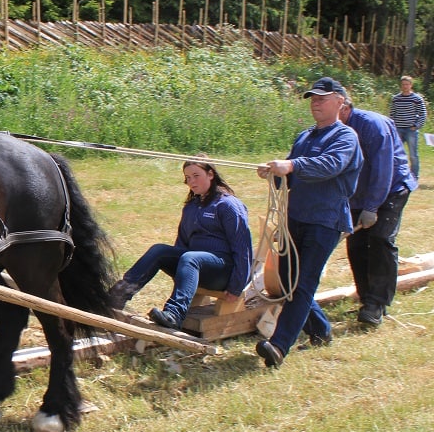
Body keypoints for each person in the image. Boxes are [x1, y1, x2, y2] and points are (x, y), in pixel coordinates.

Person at [254, 76, 362, 368]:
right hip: (296, 218)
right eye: (313, 98)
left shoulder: (345, 137)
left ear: (340, 101)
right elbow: (290, 177)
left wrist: (291, 165)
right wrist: (276, 175)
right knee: (288, 284)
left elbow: (330, 165)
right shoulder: (304, 137)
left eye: (322, 98)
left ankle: (278, 346)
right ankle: (321, 331)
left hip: (325, 221)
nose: (315, 102)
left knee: (303, 285)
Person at [109, 157, 253, 330]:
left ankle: (175, 314)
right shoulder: (192, 206)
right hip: (195, 264)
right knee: (159, 250)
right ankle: (115, 297)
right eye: (187, 177)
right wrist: (182, 274)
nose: (191, 181)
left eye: (196, 175)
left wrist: (237, 286)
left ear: (210, 174)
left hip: (223, 270)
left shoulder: (229, 205)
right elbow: (182, 244)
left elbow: (243, 248)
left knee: (191, 258)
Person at [339, 93, 417, 325]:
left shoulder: (373, 125)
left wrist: (372, 207)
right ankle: (366, 299)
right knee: (357, 244)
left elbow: (384, 169)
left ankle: (377, 303)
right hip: (359, 194)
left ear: (343, 106)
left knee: (381, 239)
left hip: (392, 188)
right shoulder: (334, 128)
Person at [389, 75, 427, 179]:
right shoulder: (396, 98)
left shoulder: (417, 99)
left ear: (411, 85)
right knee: (395, 152)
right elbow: (392, 114)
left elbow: (423, 114)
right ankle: (396, 173)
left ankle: (414, 175)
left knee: (413, 155)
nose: (405, 86)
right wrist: (392, 127)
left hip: (411, 130)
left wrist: (417, 126)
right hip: (398, 129)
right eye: (403, 84)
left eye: (407, 84)